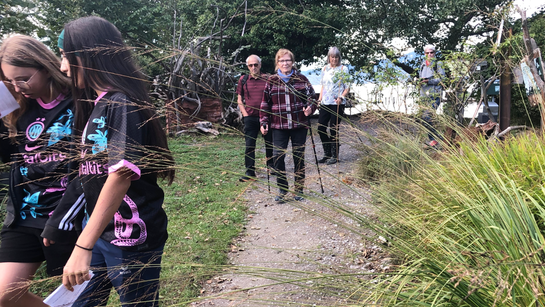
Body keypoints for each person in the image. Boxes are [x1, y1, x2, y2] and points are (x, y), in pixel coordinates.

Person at [58, 16, 175, 306]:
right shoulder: (97, 104)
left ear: (87, 54)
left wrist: (82, 245)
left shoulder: (121, 102)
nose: (62, 67)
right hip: (99, 231)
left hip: (130, 238)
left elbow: (121, 174)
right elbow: (88, 173)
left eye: (64, 57)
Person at [0, 35, 78, 307]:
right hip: (24, 215)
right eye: (10, 81)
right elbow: (7, 156)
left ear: (45, 66)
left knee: (76, 298)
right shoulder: (17, 109)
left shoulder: (81, 102)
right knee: (5, 294)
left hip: (68, 216)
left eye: (23, 78)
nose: (18, 87)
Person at [260, 48, 316, 203]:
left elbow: (312, 97)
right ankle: (283, 189)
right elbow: (264, 104)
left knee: (299, 157)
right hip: (278, 126)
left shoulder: (302, 79)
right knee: (278, 157)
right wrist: (263, 122)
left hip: (299, 124)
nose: (285, 63)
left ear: (292, 62)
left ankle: (299, 190)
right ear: (277, 63)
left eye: (287, 60)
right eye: (282, 60)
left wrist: (310, 108)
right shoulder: (271, 81)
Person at [236, 55, 273, 182]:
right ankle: (250, 171)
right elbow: (239, 99)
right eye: (251, 65)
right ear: (247, 66)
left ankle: (271, 167)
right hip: (250, 117)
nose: (253, 67)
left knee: (269, 142)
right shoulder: (243, 79)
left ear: (260, 65)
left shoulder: (268, 79)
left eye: (255, 65)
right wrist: (245, 115)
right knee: (249, 145)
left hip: (266, 116)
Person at [317, 47, 350, 165]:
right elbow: (323, 86)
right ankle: (327, 153)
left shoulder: (343, 69)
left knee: (333, 128)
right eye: (332, 57)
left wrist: (341, 97)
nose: (334, 59)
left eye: (336, 57)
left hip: (337, 102)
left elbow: (347, 87)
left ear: (339, 58)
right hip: (325, 102)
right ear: (329, 57)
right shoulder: (324, 68)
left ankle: (334, 155)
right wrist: (319, 100)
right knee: (321, 128)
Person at [419, 44, 445, 147]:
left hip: (435, 95)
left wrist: (429, 81)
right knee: (424, 118)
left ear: (435, 53)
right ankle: (434, 139)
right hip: (424, 95)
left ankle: (434, 139)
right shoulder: (422, 65)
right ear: (424, 54)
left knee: (427, 116)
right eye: (427, 53)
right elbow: (421, 78)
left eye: (432, 52)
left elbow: (442, 79)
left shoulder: (438, 64)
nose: (429, 54)